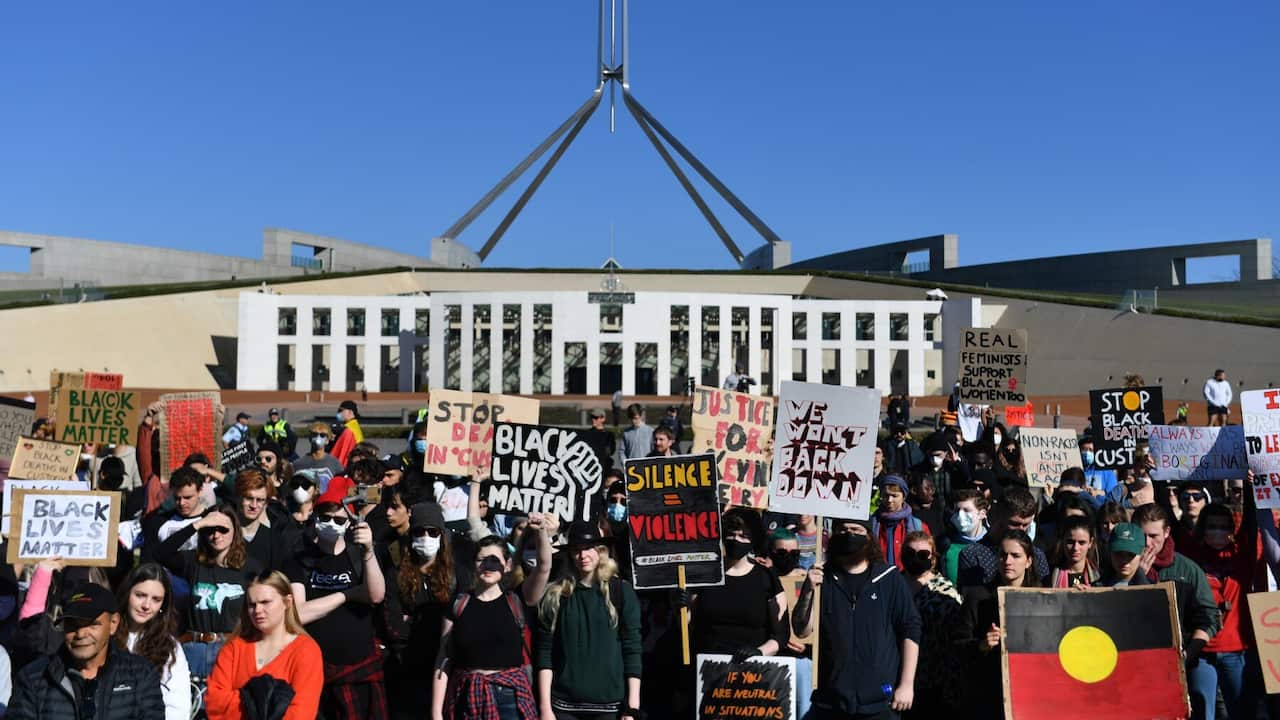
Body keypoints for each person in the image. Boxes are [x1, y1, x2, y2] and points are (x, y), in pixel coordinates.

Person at [793, 519, 921, 718]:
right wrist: (808, 590)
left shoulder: (890, 578)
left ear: (869, 536)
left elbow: (910, 629)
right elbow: (802, 630)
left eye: (855, 529)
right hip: (832, 703)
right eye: (842, 530)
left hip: (880, 702)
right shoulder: (821, 578)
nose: (849, 534)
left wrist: (906, 684)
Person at [284, 482, 387, 720]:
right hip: (314, 669)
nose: (332, 524)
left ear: (349, 522)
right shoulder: (299, 558)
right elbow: (298, 613)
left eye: (339, 520)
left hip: (359, 670)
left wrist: (369, 548)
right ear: (315, 516)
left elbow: (376, 595)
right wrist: (348, 594)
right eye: (325, 517)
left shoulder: (359, 555)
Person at [8, 584, 166, 720]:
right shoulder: (33, 678)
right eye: (72, 624)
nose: (81, 633)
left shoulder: (140, 674)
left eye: (92, 624)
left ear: (113, 623)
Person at [535, 522, 642, 720]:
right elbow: (544, 653)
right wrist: (545, 709)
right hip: (564, 706)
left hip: (610, 707)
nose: (583, 556)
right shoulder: (556, 594)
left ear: (600, 550)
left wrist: (632, 707)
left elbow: (632, 649)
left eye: (588, 549)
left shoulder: (621, 591)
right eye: (576, 550)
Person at [430, 537, 542, 720]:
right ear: (474, 564)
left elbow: (544, 568)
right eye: (482, 559)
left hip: (510, 696)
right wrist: (436, 712)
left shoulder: (517, 601)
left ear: (507, 565)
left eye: (495, 560)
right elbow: (443, 659)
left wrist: (542, 533)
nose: (488, 566)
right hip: (466, 695)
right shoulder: (458, 604)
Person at [1130, 503, 1221, 720]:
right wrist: (1138, 579)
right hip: (1140, 660)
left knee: (1201, 698)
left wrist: (1187, 654)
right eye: (1142, 536)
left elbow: (1209, 618)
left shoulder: (1187, 570)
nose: (1147, 544)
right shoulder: (1123, 565)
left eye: (1154, 536)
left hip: (1187, 657)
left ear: (1167, 532)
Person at [154, 502, 262, 679]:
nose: (216, 535)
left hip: (231, 647)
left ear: (235, 530)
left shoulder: (251, 567)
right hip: (192, 646)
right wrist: (197, 524)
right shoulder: (193, 561)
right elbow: (160, 553)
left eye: (223, 529)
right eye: (210, 529)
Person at [205, 571, 324, 720]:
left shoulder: (306, 650)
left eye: (265, 602)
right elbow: (214, 703)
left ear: (287, 602)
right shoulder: (234, 648)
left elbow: (302, 712)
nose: (258, 611)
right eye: (252, 605)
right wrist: (266, 705)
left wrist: (242, 700)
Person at [381, 501, 461, 719]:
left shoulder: (457, 574)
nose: (425, 536)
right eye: (419, 531)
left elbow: (460, 617)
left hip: (447, 669)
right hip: (408, 670)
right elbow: (393, 623)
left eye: (432, 531)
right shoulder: (395, 574)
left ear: (441, 536)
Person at [1182, 501, 1261, 720]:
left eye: (1224, 527)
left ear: (1231, 531)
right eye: (1212, 526)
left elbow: (1251, 524)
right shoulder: (1193, 557)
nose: (1218, 532)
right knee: (1203, 711)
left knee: (1242, 711)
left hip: (1237, 650)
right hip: (1202, 651)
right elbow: (1174, 526)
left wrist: (1249, 483)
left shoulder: (1242, 555)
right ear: (1202, 529)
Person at [686, 511, 790, 664]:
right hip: (706, 670)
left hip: (751, 672)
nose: (736, 540)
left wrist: (759, 652)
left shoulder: (766, 577)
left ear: (753, 540)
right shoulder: (706, 574)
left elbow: (781, 634)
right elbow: (689, 623)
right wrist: (680, 607)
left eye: (743, 536)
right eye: (731, 535)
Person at [958, 531, 1040, 719]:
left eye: (1016, 556)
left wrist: (1077, 598)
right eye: (1003, 555)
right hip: (988, 698)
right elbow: (958, 644)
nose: (1008, 561)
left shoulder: (1042, 598)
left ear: (1029, 561)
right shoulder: (977, 597)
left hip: (1030, 695)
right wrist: (981, 645)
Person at [114, 564, 192, 720]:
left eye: (156, 599)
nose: (146, 605)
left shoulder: (169, 646)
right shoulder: (106, 634)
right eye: (140, 595)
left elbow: (178, 708)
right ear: (127, 593)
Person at [899, 531, 963, 718]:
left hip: (934, 679)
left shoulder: (946, 593)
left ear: (933, 559)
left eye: (923, 554)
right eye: (910, 553)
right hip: (895, 673)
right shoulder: (892, 585)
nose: (916, 559)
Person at [956, 487, 1049, 590]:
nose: (1021, 530)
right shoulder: (973, 554)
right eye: (1014, 524)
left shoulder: (1037, 556)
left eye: (1026, 525)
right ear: (997, 514)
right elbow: (973, 598)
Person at [871, 475, 928, 570]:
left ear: (903, 497)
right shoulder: (871, 524)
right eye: (886, 495)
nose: (889, 500)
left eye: (894, 496)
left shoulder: (919, 526)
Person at [234, 469, 283, 571]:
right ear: (238, 497)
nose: (254, 505)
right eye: (248, 498)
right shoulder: (223, 535)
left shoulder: (274, 539)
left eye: (260, 500)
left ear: (266, 503)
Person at [941, 489, 988, 583]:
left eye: (966, 510)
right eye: (957, 510)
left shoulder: (994, 544)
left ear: (982, 514)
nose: (960, 515)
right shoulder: (945, 545)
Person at [293, 422, 345, 493]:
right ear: (310, 438)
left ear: (327, 440)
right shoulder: (298, 463)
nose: (318, 437)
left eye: (322, 435)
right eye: (315, 434)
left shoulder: (335, 463)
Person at [1048, 516, 1100, 588]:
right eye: (1070, 542)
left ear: (1090, 543)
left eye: (1081, 542)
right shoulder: (1049, 575)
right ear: (1063, 541)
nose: (1075, 548)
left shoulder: (1100, 577)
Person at [330, 400, 365, 467]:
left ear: (350, 412)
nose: (338, 413)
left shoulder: (347, 429)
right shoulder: (355, 426)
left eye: (341, 411)